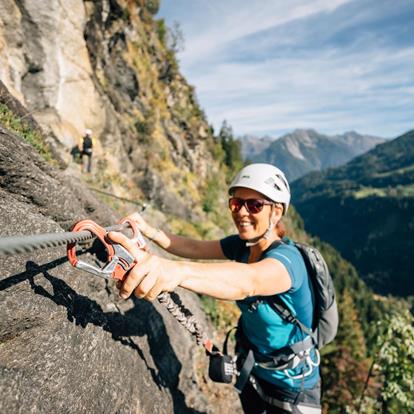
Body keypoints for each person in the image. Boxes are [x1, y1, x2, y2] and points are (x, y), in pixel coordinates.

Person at [108, 163, 321, 414]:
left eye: (254, 205)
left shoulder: (289, 261)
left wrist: (174, 271)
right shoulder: (242, 246)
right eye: (236, 203)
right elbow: (195, 249)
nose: (241, 212)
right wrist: (149, 231)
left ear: (277, 212)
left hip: (293, 387)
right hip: (253, 370)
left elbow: (248, 282)